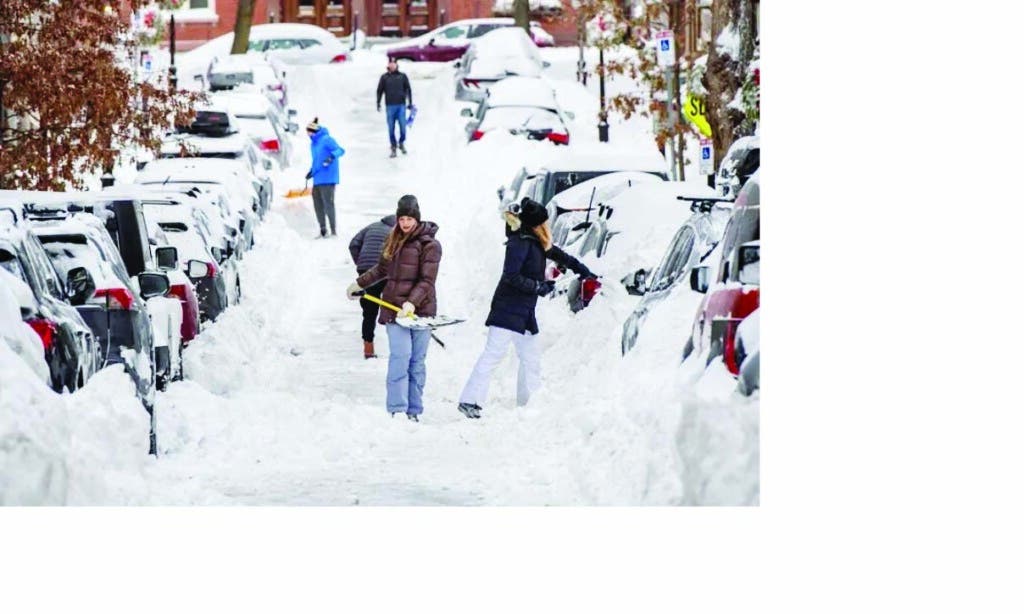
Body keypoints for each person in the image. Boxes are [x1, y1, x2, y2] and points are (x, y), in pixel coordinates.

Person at [457, 197, 597, 419]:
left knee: (530, 356)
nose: (547, 227)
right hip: (508, 308)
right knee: (494, 354)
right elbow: (510, 276)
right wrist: (538, 287)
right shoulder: (519, 243)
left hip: (524, 311)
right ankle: (469, 400)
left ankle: (530, 402)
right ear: (536, 225)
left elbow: (560, 255)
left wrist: (583, 270)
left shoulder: (535, 241)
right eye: (544, 223)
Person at [346, 196, 441, 422]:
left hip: (421, 313)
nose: (405, 223)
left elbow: (427, 281)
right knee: (400, 356)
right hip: (394, 310)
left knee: (416, 362)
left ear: (416, 219)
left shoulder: (431, 245)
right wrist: (359, 283)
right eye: (402, 219)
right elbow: (381, 270)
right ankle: (397, 408)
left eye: (409, 218)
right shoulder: (393, 240)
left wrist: (412, 303)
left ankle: (414, 410)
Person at [348, 214, 396, 359]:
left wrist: (361, 265)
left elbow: (353, 244)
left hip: (366, 271)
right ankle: (398, 347)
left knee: (369, 311)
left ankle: (368, 348)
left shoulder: (371, 227)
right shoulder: (396, 232)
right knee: (393, 307)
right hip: (385, 271)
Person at [305, 117, 346, 238]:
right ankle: (323, 229)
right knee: (317, 204)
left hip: (328, 178)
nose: (308, 134)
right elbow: (316, 161)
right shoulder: (313, 144)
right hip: (318, 178)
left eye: (309, 131)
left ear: (314, 131)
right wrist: (311, 172)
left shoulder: (327, 139)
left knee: (328, 203)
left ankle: (333, 230)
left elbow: (340, 150)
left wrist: (331, 157)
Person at [376, 59, 413, 158]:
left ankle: (401, 142)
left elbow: (408, 89)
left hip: (401, 105)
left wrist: (410, 102)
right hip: (390, 106)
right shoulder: (384, 77)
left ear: (397, 65)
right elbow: (379, 91)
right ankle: (393, 146)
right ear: (388, 65)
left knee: (403, 127)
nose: (392, 65)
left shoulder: (402, 76)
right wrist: (378, 103)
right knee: (391, 128)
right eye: (390, 63)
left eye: (394, 63)